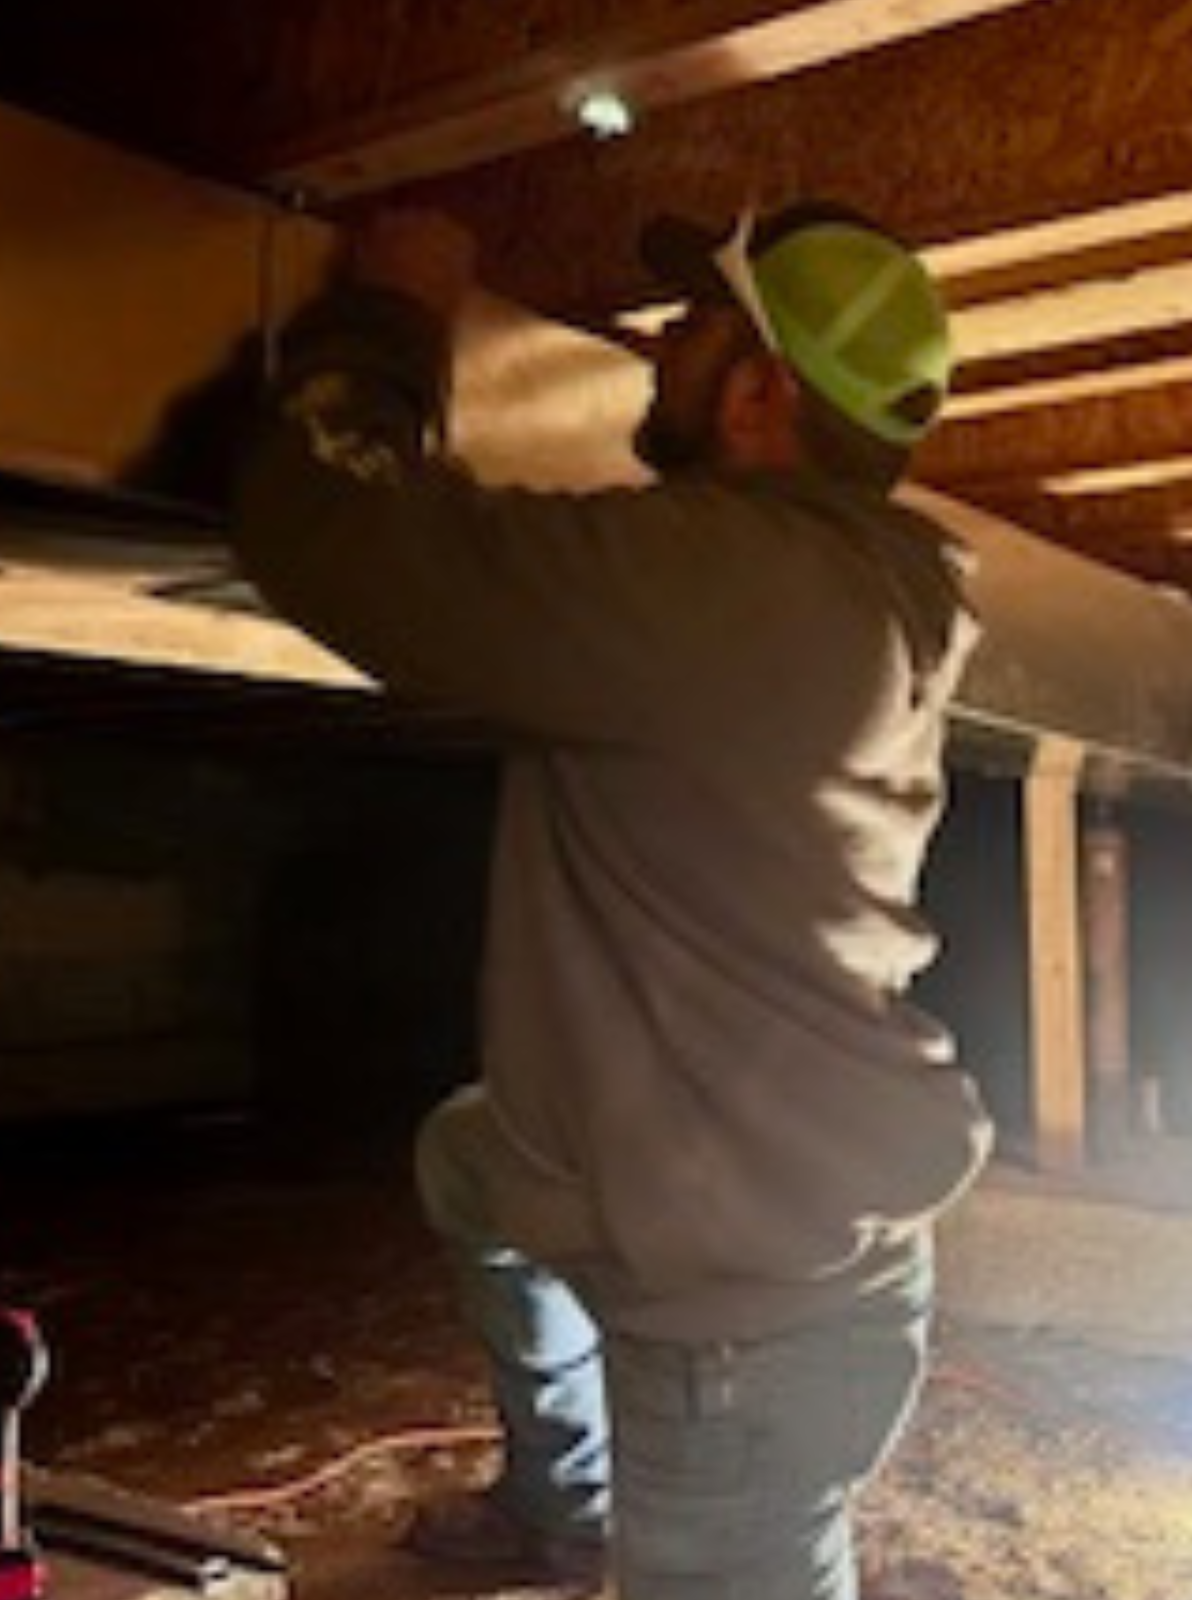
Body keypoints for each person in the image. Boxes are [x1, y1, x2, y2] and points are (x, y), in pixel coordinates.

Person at [231, 202, 992, 1599]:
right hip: (771, 1217)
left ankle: (589, 1506)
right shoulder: (836, 586)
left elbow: (330, 530)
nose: (659, 340)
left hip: (739, 1337)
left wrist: (390, 317)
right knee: (472, 1161)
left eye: (698, 326)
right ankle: (561, 1501)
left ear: (762, 392)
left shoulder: (742, 583)